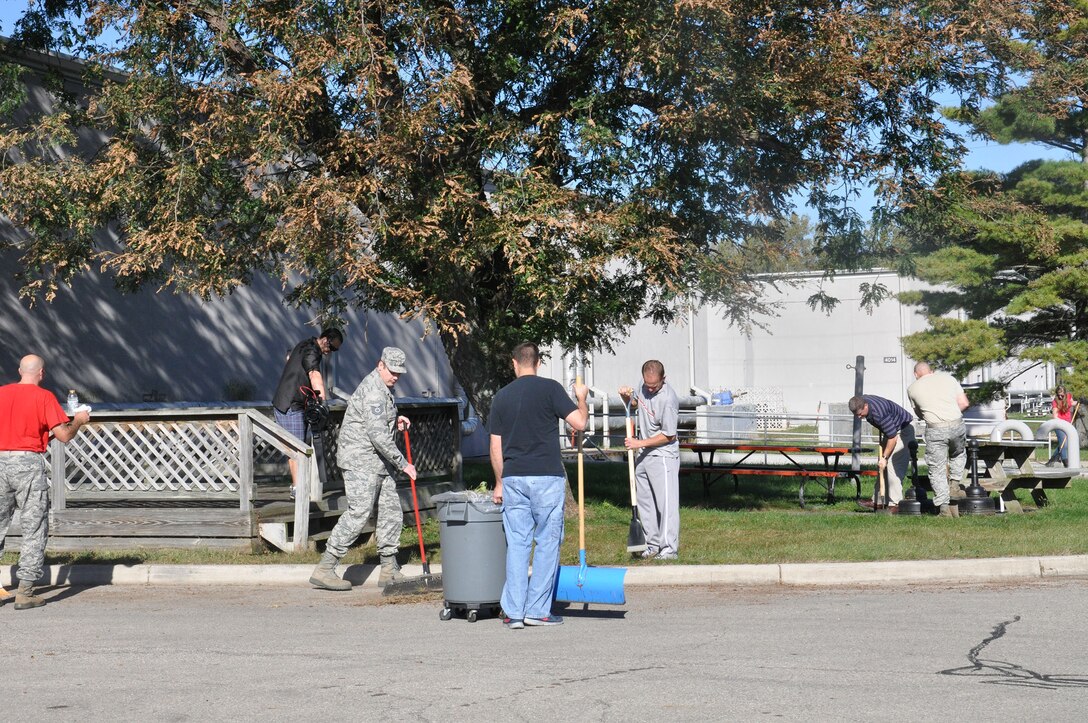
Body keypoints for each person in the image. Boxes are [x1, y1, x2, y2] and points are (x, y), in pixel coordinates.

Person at [489, 342, 588, 629]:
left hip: (514, 477)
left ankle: (514, 612)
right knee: (547, 542)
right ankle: (538, 610)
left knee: (518, 544)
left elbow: (495, 445)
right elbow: (579, 423)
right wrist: (581, 397)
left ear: (514, 363)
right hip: (546, 476)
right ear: (538, 363)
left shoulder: (502, 397)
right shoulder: (551, 389)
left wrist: (499, 482)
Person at [308, 347, 415, 592]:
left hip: (377, 461)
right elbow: (377, 436)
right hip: (361, 461)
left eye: (399, 373)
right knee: (359, 513)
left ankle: (389, 568)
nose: (396, 377)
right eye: (392, 371)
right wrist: (404, 464)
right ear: (380, 365)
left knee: (390, 510)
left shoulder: (384, 388)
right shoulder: (374, 391)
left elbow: (378, 423)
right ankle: (325, 567)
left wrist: (395, 420)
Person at [0, 354, 89, 609]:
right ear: (41, 373)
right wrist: (78, 421)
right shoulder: (44, 397)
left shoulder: (2, 394)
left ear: (19, 370)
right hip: (27, 465)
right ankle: (25, 591)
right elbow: (63, 435)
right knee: (34, 526)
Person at [619, 360, 681, 560]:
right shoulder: (643, 385)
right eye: (647, 385)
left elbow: (669, 435)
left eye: (654, 385)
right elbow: (636, 403)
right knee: (645, 502)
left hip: (663, 455)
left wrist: (639, 443)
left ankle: (669, 549)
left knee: (666, 505)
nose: (650, 388)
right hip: (643, 454)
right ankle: (652, 545)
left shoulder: (668, 399)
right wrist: (626, 397)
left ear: (664, 379)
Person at [272, 328, 343, 498]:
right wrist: (322, 400)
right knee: (297, 449)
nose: (330, 352)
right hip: (290, 404)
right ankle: (298, 490)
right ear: (325, 340)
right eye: (331, 348)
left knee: (298, 448)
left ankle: (299, 487)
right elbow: (314, 374)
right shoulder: (312, 351)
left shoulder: (304, 344)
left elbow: (289, 359)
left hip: (290, 402)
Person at [907, 362, 970, 517]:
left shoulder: (912, 388)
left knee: (937, 469)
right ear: (932, 371)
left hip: (935, 429)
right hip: (957, 424)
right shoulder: (949, 378)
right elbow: (964, 403)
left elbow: (920, 413)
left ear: (916, 374)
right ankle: (955, 485)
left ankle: (943, 508)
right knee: (958, 454)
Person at [847, 394, 915, 513]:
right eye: (856, 414)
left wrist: (884, 457)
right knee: (881, 466)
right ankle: (878, 501)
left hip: (902, 431)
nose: (858, 417)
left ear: (866, 405)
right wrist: (883, 460)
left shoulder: (879, 414)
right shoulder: (861, 401)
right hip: (891, 431)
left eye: (860, 414)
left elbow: (893, 437)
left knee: (893, 467)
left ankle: (896, 504)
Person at [1048, 385, 1079, 467]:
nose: (1060, 396)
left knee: (1065, 442)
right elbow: (1055, 415)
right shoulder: (1055, 401)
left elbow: (1071, 403)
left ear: (1065, 393)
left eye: (1062, 395)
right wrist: (1061, 423)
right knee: (1064, 444)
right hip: (1059, 424)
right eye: (1059, 395)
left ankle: (1052, 459)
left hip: (1068, 423)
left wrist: (1078, 402)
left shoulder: (1069, 396)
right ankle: (1065, 461)